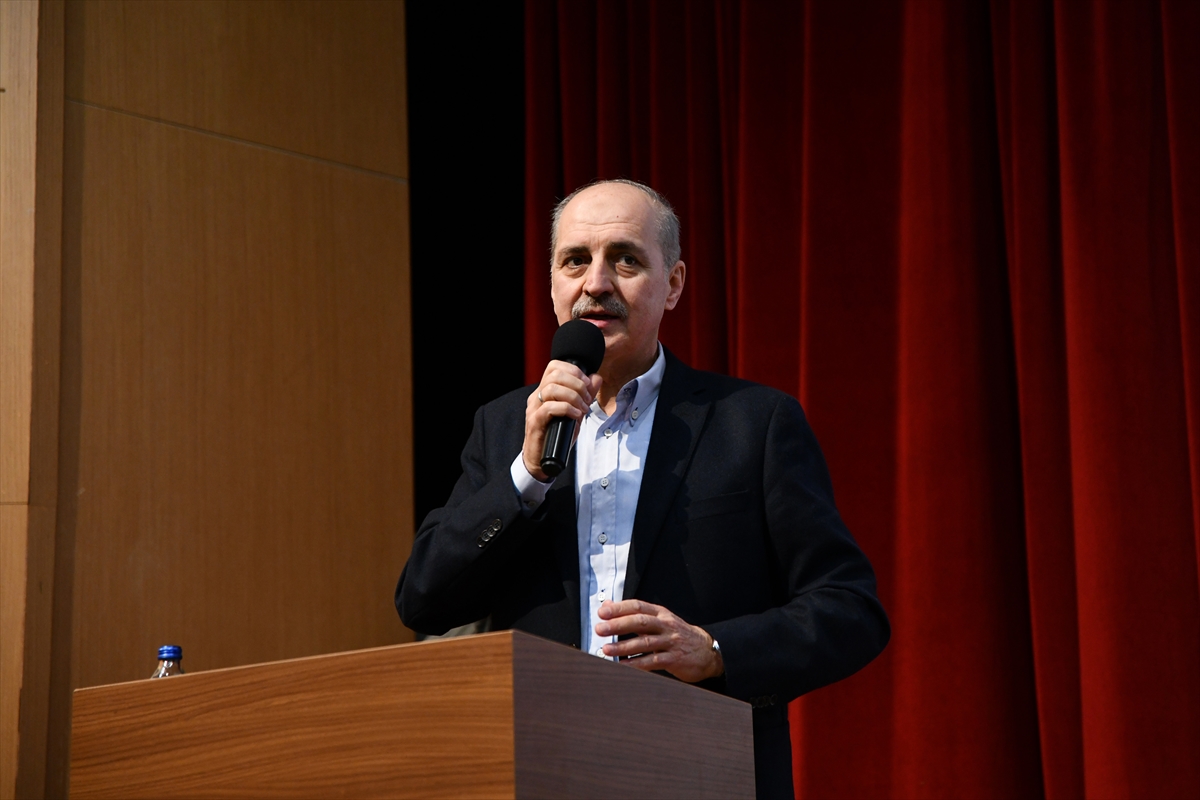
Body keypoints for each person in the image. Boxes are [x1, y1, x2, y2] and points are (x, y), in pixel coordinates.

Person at [396, 179, 889, 800]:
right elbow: (423, 599)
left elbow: (850, 609)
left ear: (673, 284)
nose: (596, 282)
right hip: (544, 769)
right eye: (575, 261)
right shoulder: (503, 428)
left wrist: (714, 650)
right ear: (552, 284)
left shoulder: (754, 424)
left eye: (625, 259)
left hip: (702, 772)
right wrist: (527, 476)